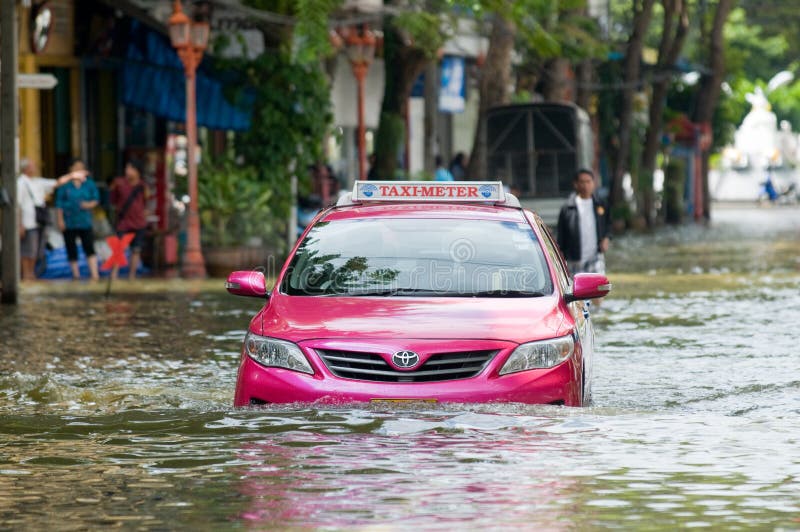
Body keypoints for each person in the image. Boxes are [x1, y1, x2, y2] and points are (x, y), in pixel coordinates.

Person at [16, 158, 83, 281]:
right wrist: (19, 225)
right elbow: (18, 205)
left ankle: (31, 274)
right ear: (26, 168)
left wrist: (72, 176)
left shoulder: (37, 182)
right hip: (27, 222)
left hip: (39, 221)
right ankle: (26, 275)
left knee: (36, 251)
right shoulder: (20, 183)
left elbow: (57, 182)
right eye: (33, 166)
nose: (35, 168)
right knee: (27, 251)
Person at [557, 168, 610, 275]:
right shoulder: (568, 207)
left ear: (593, 183)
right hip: (573, 259)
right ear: (576, 184)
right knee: (575, 291)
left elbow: (608, 225)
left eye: (588, 181)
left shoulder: (600, 204)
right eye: (582, 182)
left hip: (596, 257)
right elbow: (561, 236)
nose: (585, 185)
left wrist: (606, 239)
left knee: (598, 288)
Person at [55, 159, 100, 281]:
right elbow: (59, 204)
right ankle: (76, 275)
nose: (79, 170)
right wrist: (60, 220)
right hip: (69, 221)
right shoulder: (65, 185)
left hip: (84, 221)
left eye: (81, 167)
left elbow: (96, 199)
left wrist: (89, 205)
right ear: (71, 169)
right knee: (71, 247)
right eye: (76, 167)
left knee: (89, 246)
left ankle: (94, 275)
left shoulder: (89, 184)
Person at [109, 160, 150, 280]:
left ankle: (132, 276)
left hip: (139, 223)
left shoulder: (143, 186)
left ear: (137, 171)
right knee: (118, 248)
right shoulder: (119, 184)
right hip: (123, 223)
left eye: (131, 168)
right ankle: (113, 275)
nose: (128, 171)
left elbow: (146, 202)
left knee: (136, 250)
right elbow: (113, 200)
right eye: (127, 168)